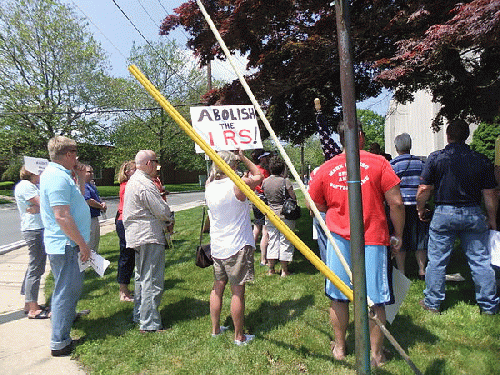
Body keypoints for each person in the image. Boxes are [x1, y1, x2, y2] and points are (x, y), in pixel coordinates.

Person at [308, 121, 404, 367]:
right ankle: (376, 355)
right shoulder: (379, 163)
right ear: (359, 136)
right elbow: (396, 202)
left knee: (338, 296)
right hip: (372, 238)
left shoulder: (326, 168)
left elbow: (313, 205)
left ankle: (340, 348)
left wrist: (331, 209)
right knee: (375, 298)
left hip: (339, 240)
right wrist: (399, 234)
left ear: (341, 139)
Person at [417, 119, 499, 315]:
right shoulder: (481, 159)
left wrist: (420, 208)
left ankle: (432, 302)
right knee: (480, 260)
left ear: (448, 135)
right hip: (472, 212)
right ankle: (488, 305)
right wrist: (492, 219)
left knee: (437, 260)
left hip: (444, 212)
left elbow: (424, 188)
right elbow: (490, 193)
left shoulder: (436, 158)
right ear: (467, 136)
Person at [40, 136, 91, 356]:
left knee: (69, 290)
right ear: (69, 154)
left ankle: (66, 323)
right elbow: (62, 216)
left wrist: (80, 178)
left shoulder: (62, 175)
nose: (77, 157)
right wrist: (82, 244)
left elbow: (75, 202)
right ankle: (59, 342)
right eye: (75, 153)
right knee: (65, 292)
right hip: (67, 245)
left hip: (68, 244)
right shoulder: (56, 177)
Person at [205, 150, 263, 345]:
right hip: (237, 245)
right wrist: (244, 156)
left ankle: (215, 329)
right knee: (237, 291)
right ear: (233, 166)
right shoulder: (237, 185)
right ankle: (239, 336)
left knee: (217, 288)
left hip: (218, 246)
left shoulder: (209, 185)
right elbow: (259, 175)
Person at [123, 150, 174, 333]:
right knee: (152, 280)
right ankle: (150, 324)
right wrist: (170, 217)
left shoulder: (134, 181)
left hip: (138, 236)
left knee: (142, 278)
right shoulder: (144, 184)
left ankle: (140, 315)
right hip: (148, 235)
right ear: (147, 163)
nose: (157, 166)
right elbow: (161, 210)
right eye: (155, 162)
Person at [390, 133, 428, 278]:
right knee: (420, 239)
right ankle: (422, 269)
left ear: (396, 147)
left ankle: (401, 271)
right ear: (410, 145)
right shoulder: (421, 163)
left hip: (400, 207)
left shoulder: (393, 165)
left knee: (401, 238)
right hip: (419, 205)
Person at [14, 166, 49, 319]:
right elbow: (44, 203)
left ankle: (29, 303)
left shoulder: (33, 186)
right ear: (32, 173)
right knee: (36, 268)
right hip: (34, 230)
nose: (42, 174)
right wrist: (39, 206)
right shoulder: (26, 186)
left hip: (37, 228)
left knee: (35, 266)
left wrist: (38, 207)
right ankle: (33, 308)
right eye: (40, 171)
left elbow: (41, 205)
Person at [261, 156, 296, 277]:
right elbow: (293, 197)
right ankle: (284, 270)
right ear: (282, 168)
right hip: (284, 214)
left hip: (270, 214)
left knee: (272, 240)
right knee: (285, 241)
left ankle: (271, 269)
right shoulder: (284, 181)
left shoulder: (265, 181)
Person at [115, 160, 136, 302]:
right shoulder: (127, 186)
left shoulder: (128, 185)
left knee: (130, 257)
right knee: (126, 257)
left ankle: (126, 289)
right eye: (135, 169)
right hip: (124, 222)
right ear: (127, 172)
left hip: (126, 221)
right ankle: (123, 291)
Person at [250, 149, 271, 266]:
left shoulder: (251, 170)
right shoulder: (263, 171)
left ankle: (249, 256)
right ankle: (263, 259)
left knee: (256, 228)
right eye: (264, 157)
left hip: (255, 200)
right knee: (265, 230)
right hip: (263, 200)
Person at [84, 164, 107, 253]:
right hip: (88, 218)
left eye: (92, 172)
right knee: (90, 241)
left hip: (94, 216)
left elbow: (97, 197)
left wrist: (102, 203)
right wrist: (100, 206)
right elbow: (89, 200)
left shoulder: (91, 185)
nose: (91, 174)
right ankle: (87, 262)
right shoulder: (83, 185)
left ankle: (93, 262)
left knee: (95, 240)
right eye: (89, 172)